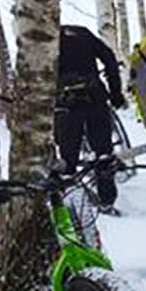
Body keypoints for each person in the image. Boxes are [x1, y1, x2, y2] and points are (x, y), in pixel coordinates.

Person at [54, 23, 126, 210]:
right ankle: (107, 201)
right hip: (95, 97)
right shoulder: (82, 32)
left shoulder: (45, 40)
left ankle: (70, 207)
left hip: (66, 103)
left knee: (67, 159)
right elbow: (109, 57)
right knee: (103, 153)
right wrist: (116, 92)